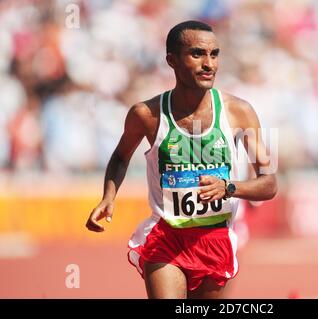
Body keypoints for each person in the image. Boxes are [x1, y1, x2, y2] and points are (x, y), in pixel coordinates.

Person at [85, 20, 277, 299]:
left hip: (214, 239)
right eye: (197, 54)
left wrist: (229, 187)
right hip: (167, 236)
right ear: (172, 60)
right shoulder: (147, 115)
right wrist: (108, 196)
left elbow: (269, 183)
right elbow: (120, 156)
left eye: (214, 54)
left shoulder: (239, 112)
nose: (208, 64)